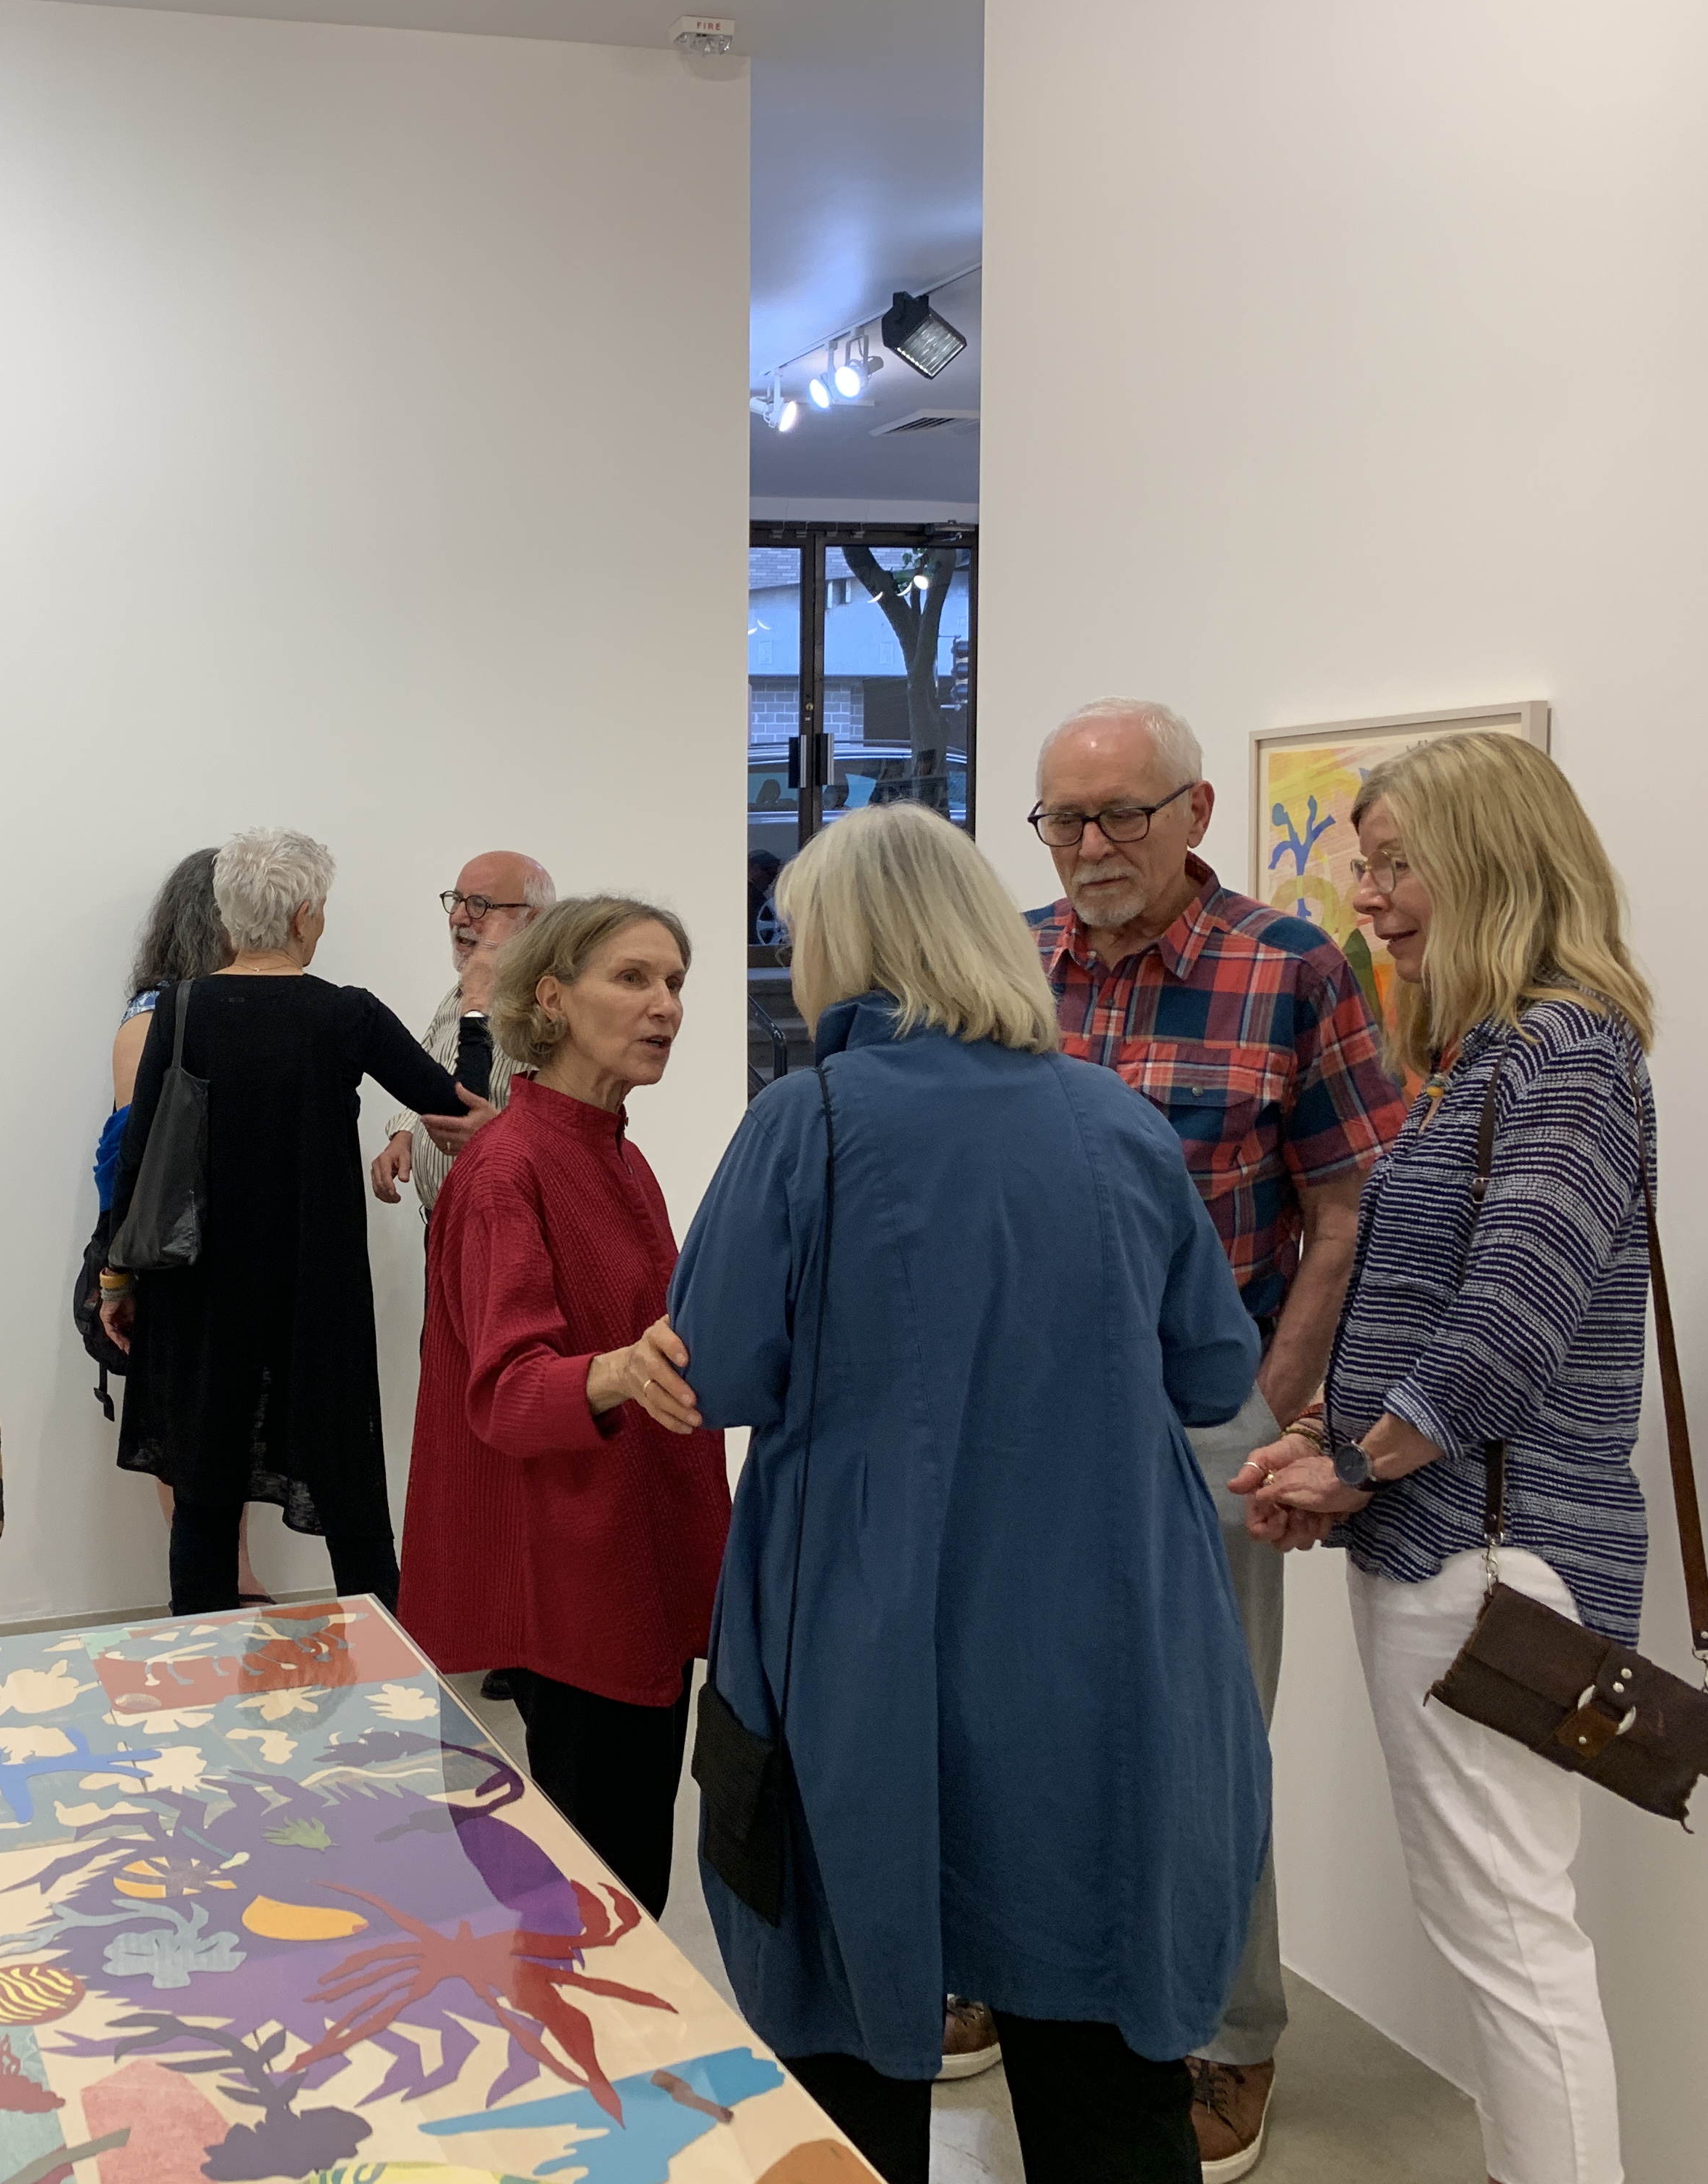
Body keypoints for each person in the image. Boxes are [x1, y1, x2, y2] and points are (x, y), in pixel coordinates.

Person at [664, 804, 1268, 2184]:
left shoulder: (808, 1122)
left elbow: (718, 1370)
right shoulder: (1116, 1120)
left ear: (855, 943)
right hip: (1108, 1640)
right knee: (1104, 2065)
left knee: (848, 2063)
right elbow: (1212, 1370)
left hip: (865, 1632)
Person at [1240, 733, 1656, 2184]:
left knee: (1513, 1945)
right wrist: (1325, 1436)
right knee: (1497, 1931)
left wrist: (1355, 1464)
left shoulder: (1568, 1057)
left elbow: (1506, 1326)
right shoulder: (1490, 1054)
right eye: (1364, 866)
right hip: (1453, 1541)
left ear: (1491, 865)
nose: (1370, 898)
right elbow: (1424, 1308)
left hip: (1497, 1557)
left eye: (1397, 865)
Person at [1013, 696, 1405, 2172]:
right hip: (1029, 1415)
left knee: (1208, 1733)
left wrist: (1271, 1399)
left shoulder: (1290, 966)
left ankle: (1232, 2033)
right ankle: (1025, 1970)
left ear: (1194, 813)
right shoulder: (1006, 962)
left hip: (1210, 1409)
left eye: (1119, 813)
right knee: (1027, 1707)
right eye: (1063, 819)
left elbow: (1345, 1211)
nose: (1090, 845)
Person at [396, 895, 728, 1919]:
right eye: (633, 979)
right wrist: (622, 1371)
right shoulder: (509, 1172)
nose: (666, 1006)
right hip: (575, 1587)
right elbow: (506, 1390)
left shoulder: (614, 1151)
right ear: (551, 997)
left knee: (622, 1889)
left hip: (631, 1556)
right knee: (592, 1909)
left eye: (674, 982)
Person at [99, 827, 486, 1615]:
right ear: (306, 914)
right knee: (349, 1490)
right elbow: (460, 1108)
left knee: (203, 1494)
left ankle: (204, 1662)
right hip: (315, 1289)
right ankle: (389, 1664)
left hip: (200, 1287)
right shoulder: (344, 1015)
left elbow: (137, 1158)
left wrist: (116, 1278)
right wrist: (474, 1015)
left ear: (228, 913)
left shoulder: (179, 1010)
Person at [94, 848, 262, 1598]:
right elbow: (130, 1157)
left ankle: (231, 1581)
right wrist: (121, 1272)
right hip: (167, 1254)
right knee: (185, 1425)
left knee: (222, 1420)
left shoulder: (218, 1008)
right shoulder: (155, 1016)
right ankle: (223, 1588)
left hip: (214, 1249)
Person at [368, 850, 551, 1218]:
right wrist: (404, 1135)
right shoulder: (459, 993)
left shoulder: (550, 1007)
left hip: (503, 1225)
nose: (458, 917)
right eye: (456, 900)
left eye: (480, 905)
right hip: (442, 1226)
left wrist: (498, 1135)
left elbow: (565, 1133)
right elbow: (429, 1071)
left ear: (532, 920)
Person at [747, 847, 783, 942]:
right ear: (755, 869)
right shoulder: (751, 898)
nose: (772, 880)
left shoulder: (753, 895)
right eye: (771, 873)